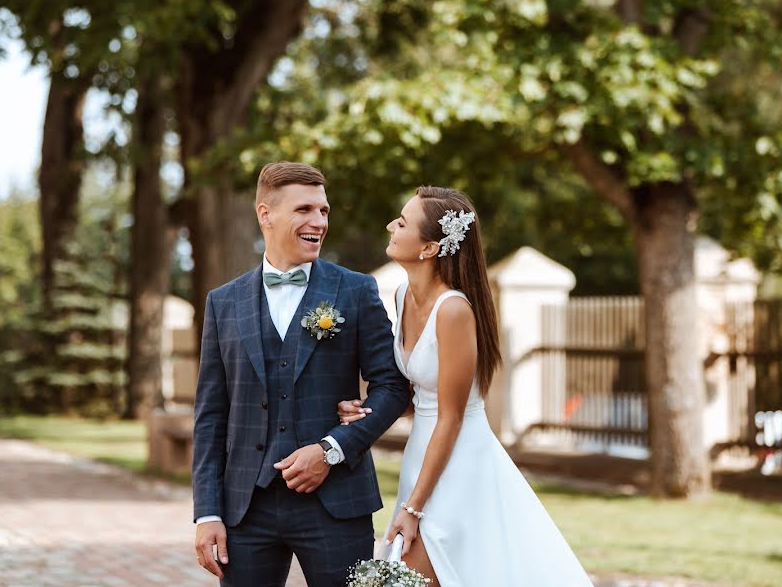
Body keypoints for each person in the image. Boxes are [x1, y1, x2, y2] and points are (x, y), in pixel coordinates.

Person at [338, 186, 594, 586]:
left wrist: (414, 507)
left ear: (428, 248)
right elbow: (416, 394)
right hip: (422, 454)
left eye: (402, 222)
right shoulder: (405, 294)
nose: (391, 226)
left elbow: (451, 416)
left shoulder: (453, 309)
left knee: (412, 575)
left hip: (458, 462)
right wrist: (367, 410)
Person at [191, 161, 411, 586]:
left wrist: (331, 449)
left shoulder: (355, 289)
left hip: (336, 503)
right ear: (265, 214)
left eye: (324, 211)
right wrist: (208, 512)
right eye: (305, 209)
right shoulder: (223, 302)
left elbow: (391, 385)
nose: (318, 222)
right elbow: (211, 414)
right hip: (244, 509)